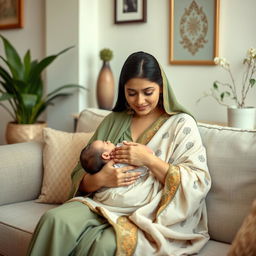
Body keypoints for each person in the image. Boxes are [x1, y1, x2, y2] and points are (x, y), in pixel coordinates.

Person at [27, 51, 211, 256]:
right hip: (101, 203)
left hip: (148, 212)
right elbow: (80, 171)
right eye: (131, 93)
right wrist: (100, 179)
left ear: (162, 88)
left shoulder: (180, 124)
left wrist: (149, 160)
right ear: (123, 90)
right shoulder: (113, 120)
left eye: (148, 92)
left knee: (105, 245)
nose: (140, 100)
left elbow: (198, 181)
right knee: (53, 220)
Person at [79, 140, 154, 210]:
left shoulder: (104, 169)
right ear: (106, 155)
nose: (109, 141)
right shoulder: (123, 155)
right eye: (106, 143)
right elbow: (145, 165)